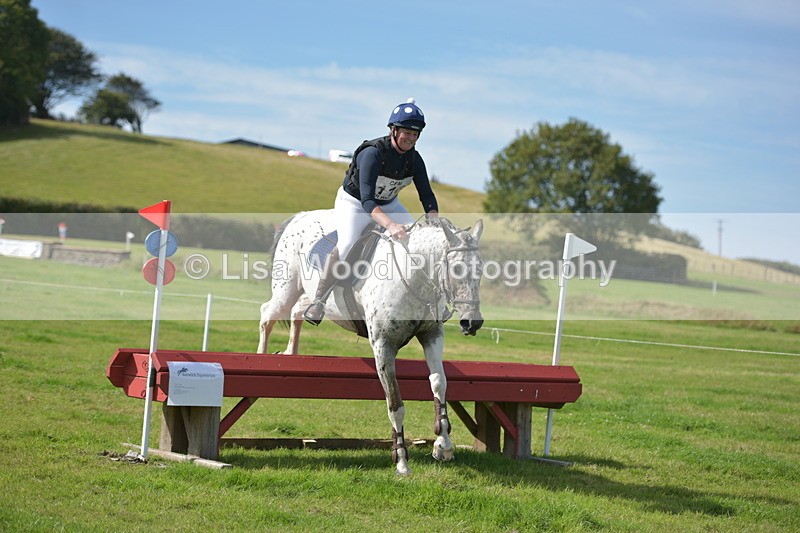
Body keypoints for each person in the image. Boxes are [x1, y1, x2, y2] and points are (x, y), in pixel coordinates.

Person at [303, 98, 440, 325]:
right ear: (393, 130)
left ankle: (430, 301)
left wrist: (434, 221)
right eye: (407, 132)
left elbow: (426, 195)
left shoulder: (415, 160)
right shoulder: (373, 154)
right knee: (346, 244)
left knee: (418, 243)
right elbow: (367, 200)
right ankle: (318, 300)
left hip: (389, 204)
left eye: (416, 134)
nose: (411, 137)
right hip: (355, 203)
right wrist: (390, 225)